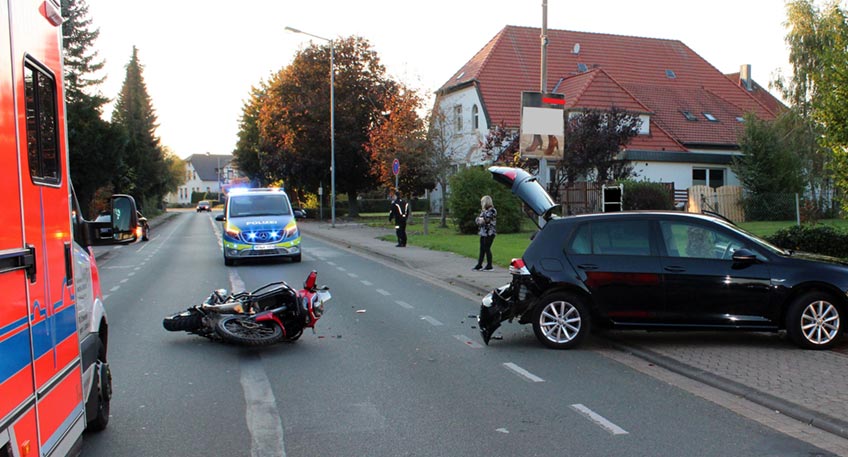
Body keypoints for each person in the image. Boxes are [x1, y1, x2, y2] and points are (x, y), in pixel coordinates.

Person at [473, 195, 497, 271]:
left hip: (489, 233)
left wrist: (481, 220)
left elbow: (486, 220)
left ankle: (489, 265)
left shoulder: (492, 210)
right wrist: (480, 220)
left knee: (487, 248)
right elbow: (478, 220)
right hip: (483, 233)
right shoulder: (484, 211)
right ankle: (479, 264)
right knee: (482, 249)